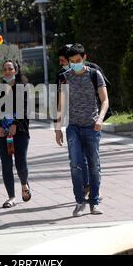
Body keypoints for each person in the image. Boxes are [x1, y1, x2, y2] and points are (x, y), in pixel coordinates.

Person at [54, 43, 109, 217]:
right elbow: (61, 105)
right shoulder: (65, 77)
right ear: (68, 61)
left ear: (84, 58)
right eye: (72, 61)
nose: (75, 63)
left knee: (94, 165)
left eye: (78, 60)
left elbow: (105, 100)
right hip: (73, 127)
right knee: (75, 164)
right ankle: (79, 201)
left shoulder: (94, 74)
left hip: (92, 126)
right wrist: (58, 128)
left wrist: (100, 119)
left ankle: (94, 202)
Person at [0, 60, 31, 208]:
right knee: (6, 165)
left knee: (20, 164)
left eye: (10, 69)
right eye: (5, 69)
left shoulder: (23, 88)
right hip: (1, 133)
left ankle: (24, 183)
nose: (7, 71)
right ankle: (11, 197)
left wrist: (15, 124)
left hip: (19, 131)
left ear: (16, 70)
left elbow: (25, 110)